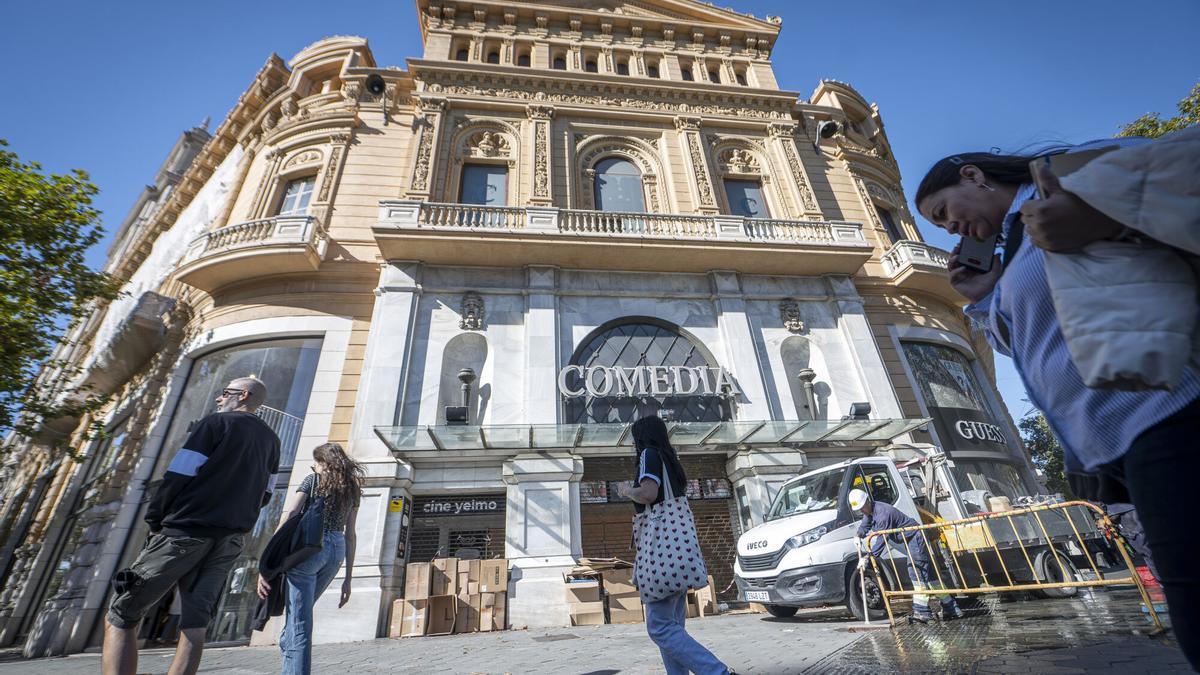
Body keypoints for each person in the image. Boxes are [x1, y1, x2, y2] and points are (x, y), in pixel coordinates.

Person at [915, 144, 1200, 667]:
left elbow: (1188, 160)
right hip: (1110, 447)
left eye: (942, 213)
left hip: (1165, 413)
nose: (948, 231)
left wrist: (1098, 212)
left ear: (973, 176)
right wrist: (984, 295)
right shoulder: (1016, 246)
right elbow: (1026, 342)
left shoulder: (1066, 180)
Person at [103, 377, 280, 675]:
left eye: (225, 393)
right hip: (229, 540)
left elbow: (178, 476)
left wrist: (156, 519)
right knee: (196, 624)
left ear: (244, 395)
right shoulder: (272, 441)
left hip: (184, 533)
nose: (219, 399)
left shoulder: (213, 425)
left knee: (121, 614)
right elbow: (266, 495)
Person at [618, 415, 732, 675]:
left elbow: (648, 493)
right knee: (673, 628)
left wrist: (627, 491)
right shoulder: (671, 461)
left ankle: (717, 671)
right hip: (676, 555)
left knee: (659, 627)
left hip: (661, 557)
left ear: (642, 436)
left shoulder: (649, 454)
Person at [257, 442, 363, 675]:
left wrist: (267, 559)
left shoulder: (312, 481)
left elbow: (291, 514)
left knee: (300, 623)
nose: (314, 466)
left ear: (324, 462)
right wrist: (348, 579)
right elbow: (351, 534)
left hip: (309, 549)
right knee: (298, 617)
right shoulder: (353, 488)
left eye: (316, 462)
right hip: (336, 550)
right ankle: (288, 646)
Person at [849, 488, 962, 623]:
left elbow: (882, 538)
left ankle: (923, 612)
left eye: (862, 508)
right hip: (910, 539)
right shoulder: (870, 511)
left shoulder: (883, 513)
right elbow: (865, 524)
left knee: (916, 571)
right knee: (930, 575)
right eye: (860, 509)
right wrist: (858, 535)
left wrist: (868, 557)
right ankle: (951, 607)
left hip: (915, 537)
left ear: (867, 501)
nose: (862, 511)